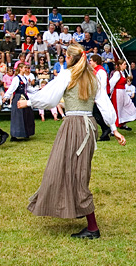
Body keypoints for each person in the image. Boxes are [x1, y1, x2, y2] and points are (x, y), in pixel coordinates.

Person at [19, 43, 125, 238]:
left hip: (75, 126)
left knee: (75, 173)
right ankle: (74, 210)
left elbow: (50, 99)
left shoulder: (68, 75)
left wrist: (28, 102)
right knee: (70, 169)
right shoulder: (92, 77)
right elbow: (105, 104)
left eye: (66, 57)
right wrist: (113, 129)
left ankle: (92, 227)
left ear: (69, 58)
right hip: (88, 126)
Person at [2, 63, 36, 140]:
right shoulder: (16, 79)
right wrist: (6, 97)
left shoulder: (25, 78)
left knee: (27, 114)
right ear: (20, 68)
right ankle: (15, 134)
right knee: (18, 116)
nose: (26, 69)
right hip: (18, 97)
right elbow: (11, 89)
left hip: (24, 96)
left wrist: (37, 90)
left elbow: (28, 89)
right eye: (24, 67)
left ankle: (26, 132)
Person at [109, 60, 136, 130]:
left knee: (128, 105)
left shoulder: (122, 73)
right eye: (124, 64)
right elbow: (111, 83)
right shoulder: (117, 73)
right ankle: (113, 129)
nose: (125, 65)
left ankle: (123, 123)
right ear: (120, 65)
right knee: (118, 109)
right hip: (118, 93)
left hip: (123, 92)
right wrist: (109, 93)